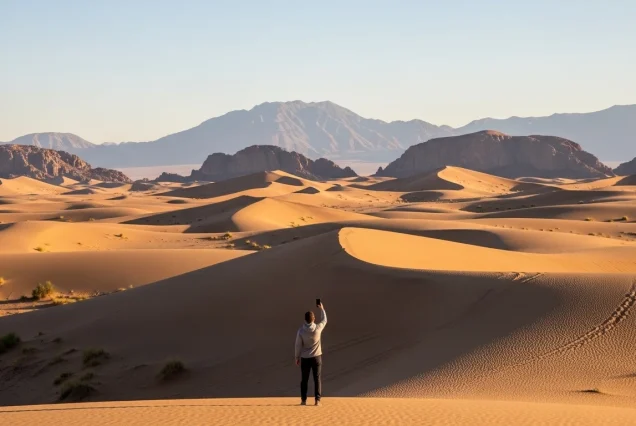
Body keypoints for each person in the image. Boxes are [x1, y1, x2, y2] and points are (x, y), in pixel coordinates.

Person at [294, 301, 327, 406]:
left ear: (305, 319)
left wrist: (296, 357)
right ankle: (317, 401)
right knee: (317, 378)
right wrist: (322, 309)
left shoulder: (301, 331)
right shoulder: (318, 328)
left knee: (304, 380)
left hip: (305, 358)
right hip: (316, 358)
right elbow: (324, 320)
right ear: (314, 319)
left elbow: (297, 345)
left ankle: (303, 400)